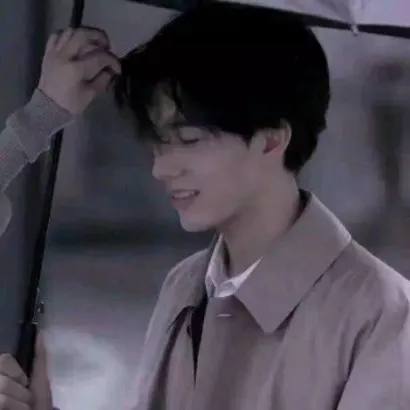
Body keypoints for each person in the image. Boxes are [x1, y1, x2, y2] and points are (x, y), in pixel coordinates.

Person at [0, 3, 409, 410]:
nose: (161, 168)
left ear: (271, 140)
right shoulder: (186, 285)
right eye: (158, 144)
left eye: (189, 140)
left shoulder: (380, 315)